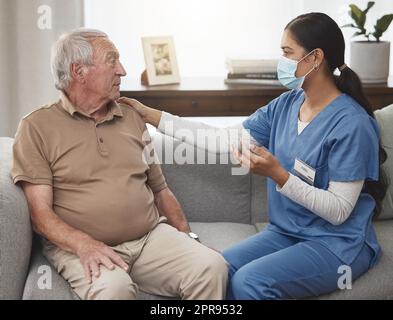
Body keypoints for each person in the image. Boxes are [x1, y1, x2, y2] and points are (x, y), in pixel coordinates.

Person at [118, 12, 388, 299]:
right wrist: (153, 116)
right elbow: (224, 139)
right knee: (214, 268)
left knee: (250, 281)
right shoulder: (286, 104)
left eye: (287, 52)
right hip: (288, 233)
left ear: (315, 57)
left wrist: (279, 175)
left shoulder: (352, 124)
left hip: (337, 243)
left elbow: (338, 212)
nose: (280, 61)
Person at [11, 28, 228, 300]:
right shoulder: (36, 127)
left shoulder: (131, 116)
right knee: (115, 289)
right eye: (112, 60)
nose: (122, 71)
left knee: (211, 266)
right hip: (84, 245)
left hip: (149, 238)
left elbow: (160, 190)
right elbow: (39, 215)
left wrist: (189, 238)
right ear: (79, 72)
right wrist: (83, 244)